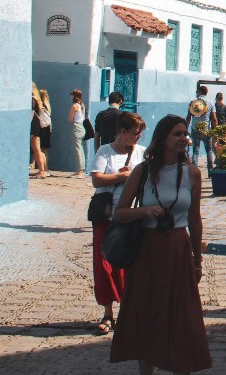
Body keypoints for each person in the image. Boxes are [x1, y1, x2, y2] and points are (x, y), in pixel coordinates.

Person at [110, 114, 212, 374]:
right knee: (147, 311)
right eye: (177, 134)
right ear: (163, 138)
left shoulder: (192, 173)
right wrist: (146, 211)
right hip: (148, 249)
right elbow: (119, 212)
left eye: (185, 134)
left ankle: (182, 366)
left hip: (178, 248)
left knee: (182, 315)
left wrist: (197, 260)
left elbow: (194, 218)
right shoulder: (142, 171)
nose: (183, 139)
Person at [89, 111, 146, 335]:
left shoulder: (141, 153)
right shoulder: (105, 151)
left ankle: (128, 311)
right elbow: (96, 179)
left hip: (132, 216)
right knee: (104, 265)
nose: (138, 137)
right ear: (121, 132)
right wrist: (121, 177)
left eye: (140, 133)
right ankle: (108, 312)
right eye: (134, 133)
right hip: (106, 216)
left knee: (129, 266)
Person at [186, 85, 214, 177]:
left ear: (200, 92)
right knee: (209, 150)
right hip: (206, 130)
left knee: (195, 151)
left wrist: (185, 128)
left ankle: (193, 172)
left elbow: (188, 117)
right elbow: (214, 118)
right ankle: (210, 171)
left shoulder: (193, 102)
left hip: (195, 129)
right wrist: (215, 130)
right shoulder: (210, 103)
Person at [68, 89, 88, 177]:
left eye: (71, 94)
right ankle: (81, 170)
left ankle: (79, 171)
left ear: (74, 96)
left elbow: (70, 118)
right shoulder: (82, 105)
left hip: (76, 127)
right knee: (80, 148)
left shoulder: (74, 106)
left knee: (78, 149)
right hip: (82, 127)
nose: (70, 96)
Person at [30, 90, 48, 179]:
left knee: (37, 150)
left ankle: (41, 171)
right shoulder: (38, 100)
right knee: (38, 150)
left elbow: (31, 113)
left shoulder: (32, 100)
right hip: (37, 127)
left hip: (34, 127)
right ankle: (43, 170)